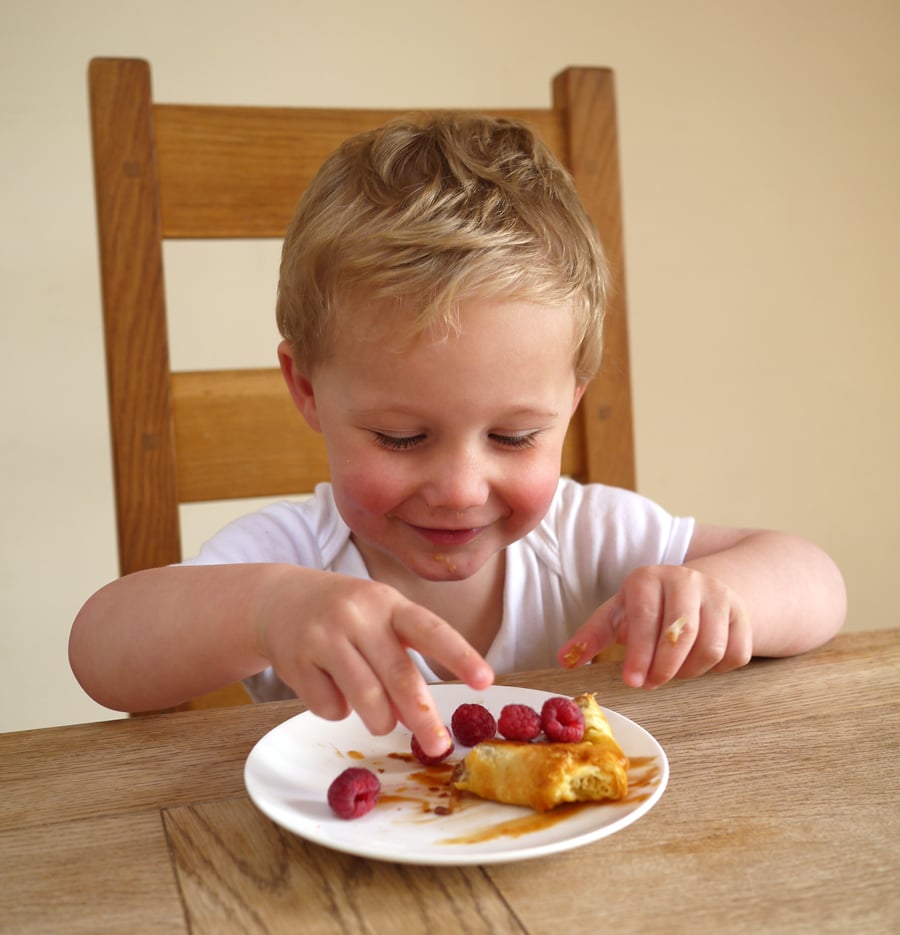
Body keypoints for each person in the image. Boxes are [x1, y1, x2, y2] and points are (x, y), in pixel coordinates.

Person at [69, 113, 846, 758]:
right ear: (306, 389)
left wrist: (722, 596)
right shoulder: (294, 560)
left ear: (570, 405)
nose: (461, 488)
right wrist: (267, 609)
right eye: (402, 437)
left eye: (514, 436)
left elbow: (818, 581)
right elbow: (100, 651)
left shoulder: (588, 537)